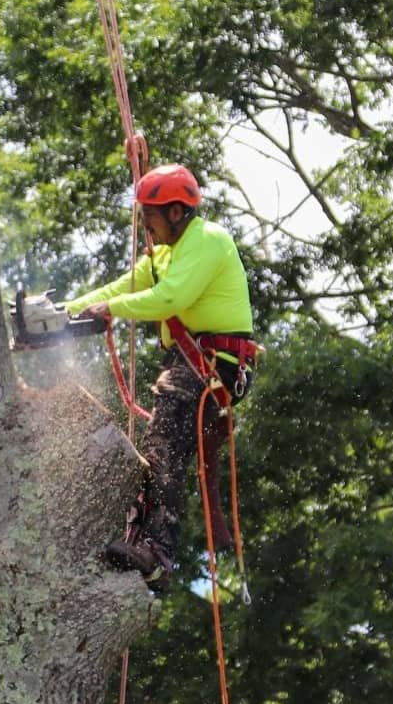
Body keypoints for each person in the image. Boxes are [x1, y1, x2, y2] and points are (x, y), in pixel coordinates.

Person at [68, 164, 257, 593]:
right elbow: (123, 287)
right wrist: (66, 313)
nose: (145, 226)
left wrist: (111, 310)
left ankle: (158, 552)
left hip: (215, 365)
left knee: (164, 444)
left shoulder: (207, 240)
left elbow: (168, 298)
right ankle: (141, 547)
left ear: (175, 211)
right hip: (192, 365)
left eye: (149, 216)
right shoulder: (166, 255)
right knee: (158, 449)